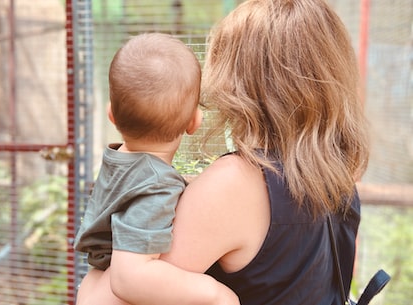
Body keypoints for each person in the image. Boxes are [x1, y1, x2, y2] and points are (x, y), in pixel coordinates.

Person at [77, 1, 370, 304]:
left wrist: (91, 280)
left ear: (238, 79)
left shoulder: (236, 182)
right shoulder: (338, 176)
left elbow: (106, 298)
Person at [73, 32, 239, 305]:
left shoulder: (118, 161)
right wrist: (216, 294)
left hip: (94, 282)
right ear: (194, 122)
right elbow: (129, 277)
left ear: (111, 114)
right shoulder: (156, 186)